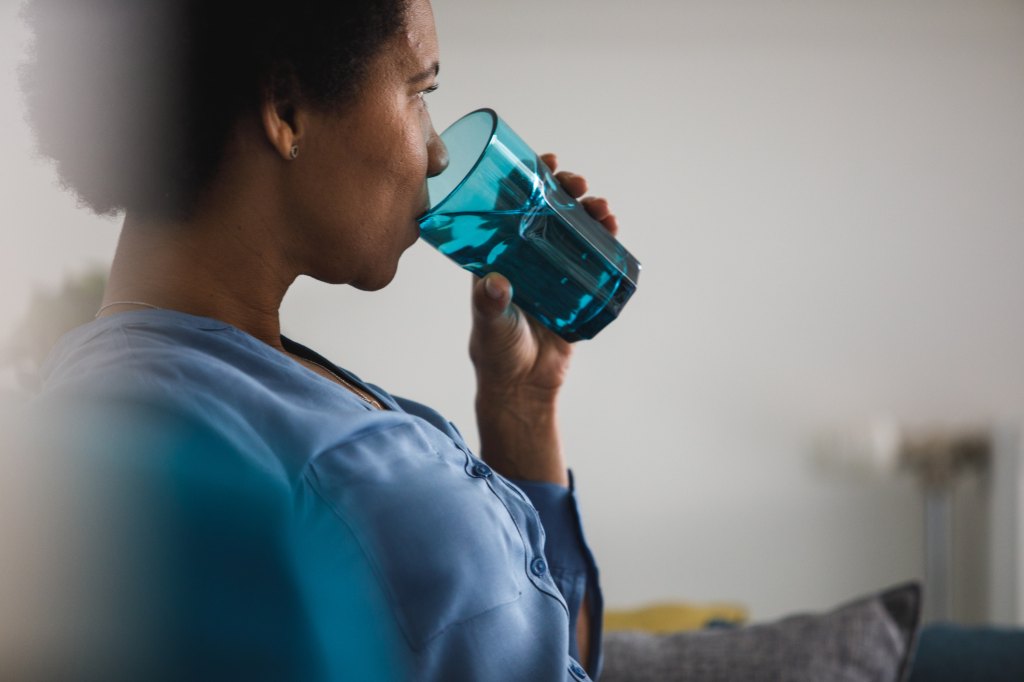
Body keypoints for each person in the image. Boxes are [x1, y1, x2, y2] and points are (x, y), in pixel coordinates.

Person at [19, 0, 620, 678]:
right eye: (420, 92)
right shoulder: (141, 433)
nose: (438, 151)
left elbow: (547, 654)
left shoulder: (260, 373)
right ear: (285, 109)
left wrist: (522, 406)